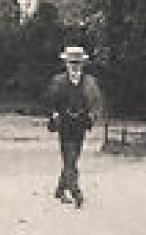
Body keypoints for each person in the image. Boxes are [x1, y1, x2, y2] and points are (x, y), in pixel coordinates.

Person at [44, 45, 104, 207]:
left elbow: (96, 102)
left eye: (77, 63)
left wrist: (92, 116)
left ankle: (60, 188)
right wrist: (54, 114)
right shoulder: (58, 81)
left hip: (81, 123)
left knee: (74, 156)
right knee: (69, 157)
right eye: (72, 62)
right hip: (64, 123)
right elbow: (50, 101)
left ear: (82, 64)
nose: (75, 66)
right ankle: (76, 191)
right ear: (66, 63)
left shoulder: (90, 82)